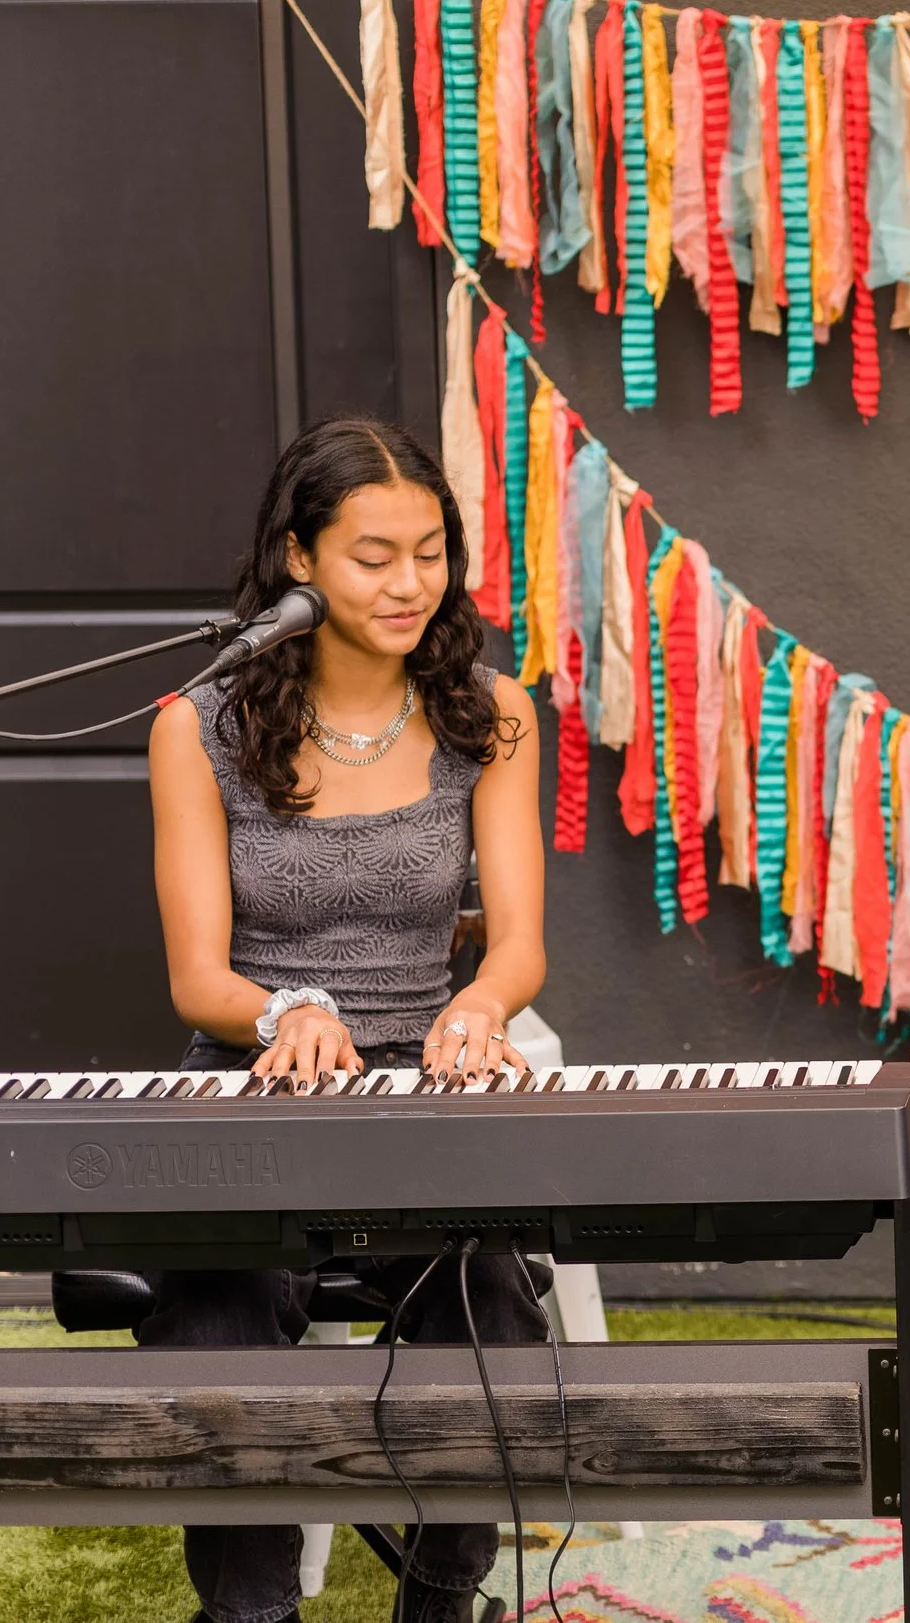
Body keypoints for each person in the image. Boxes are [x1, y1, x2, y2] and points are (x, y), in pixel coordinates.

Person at [147, 416, 548, 1623]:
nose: (410, 582)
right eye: (374, 554)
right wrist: (288, 1010)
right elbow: (197, 978)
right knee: (220, 1300)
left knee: (489, 1292)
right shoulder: (197, 728)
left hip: (424, 1094)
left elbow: (519, 941)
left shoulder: (493, 715)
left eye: (431, 551)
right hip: (253, 1086)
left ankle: (441, 1596)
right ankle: (253, 1608)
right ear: (299, 560)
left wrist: (480, 1002)